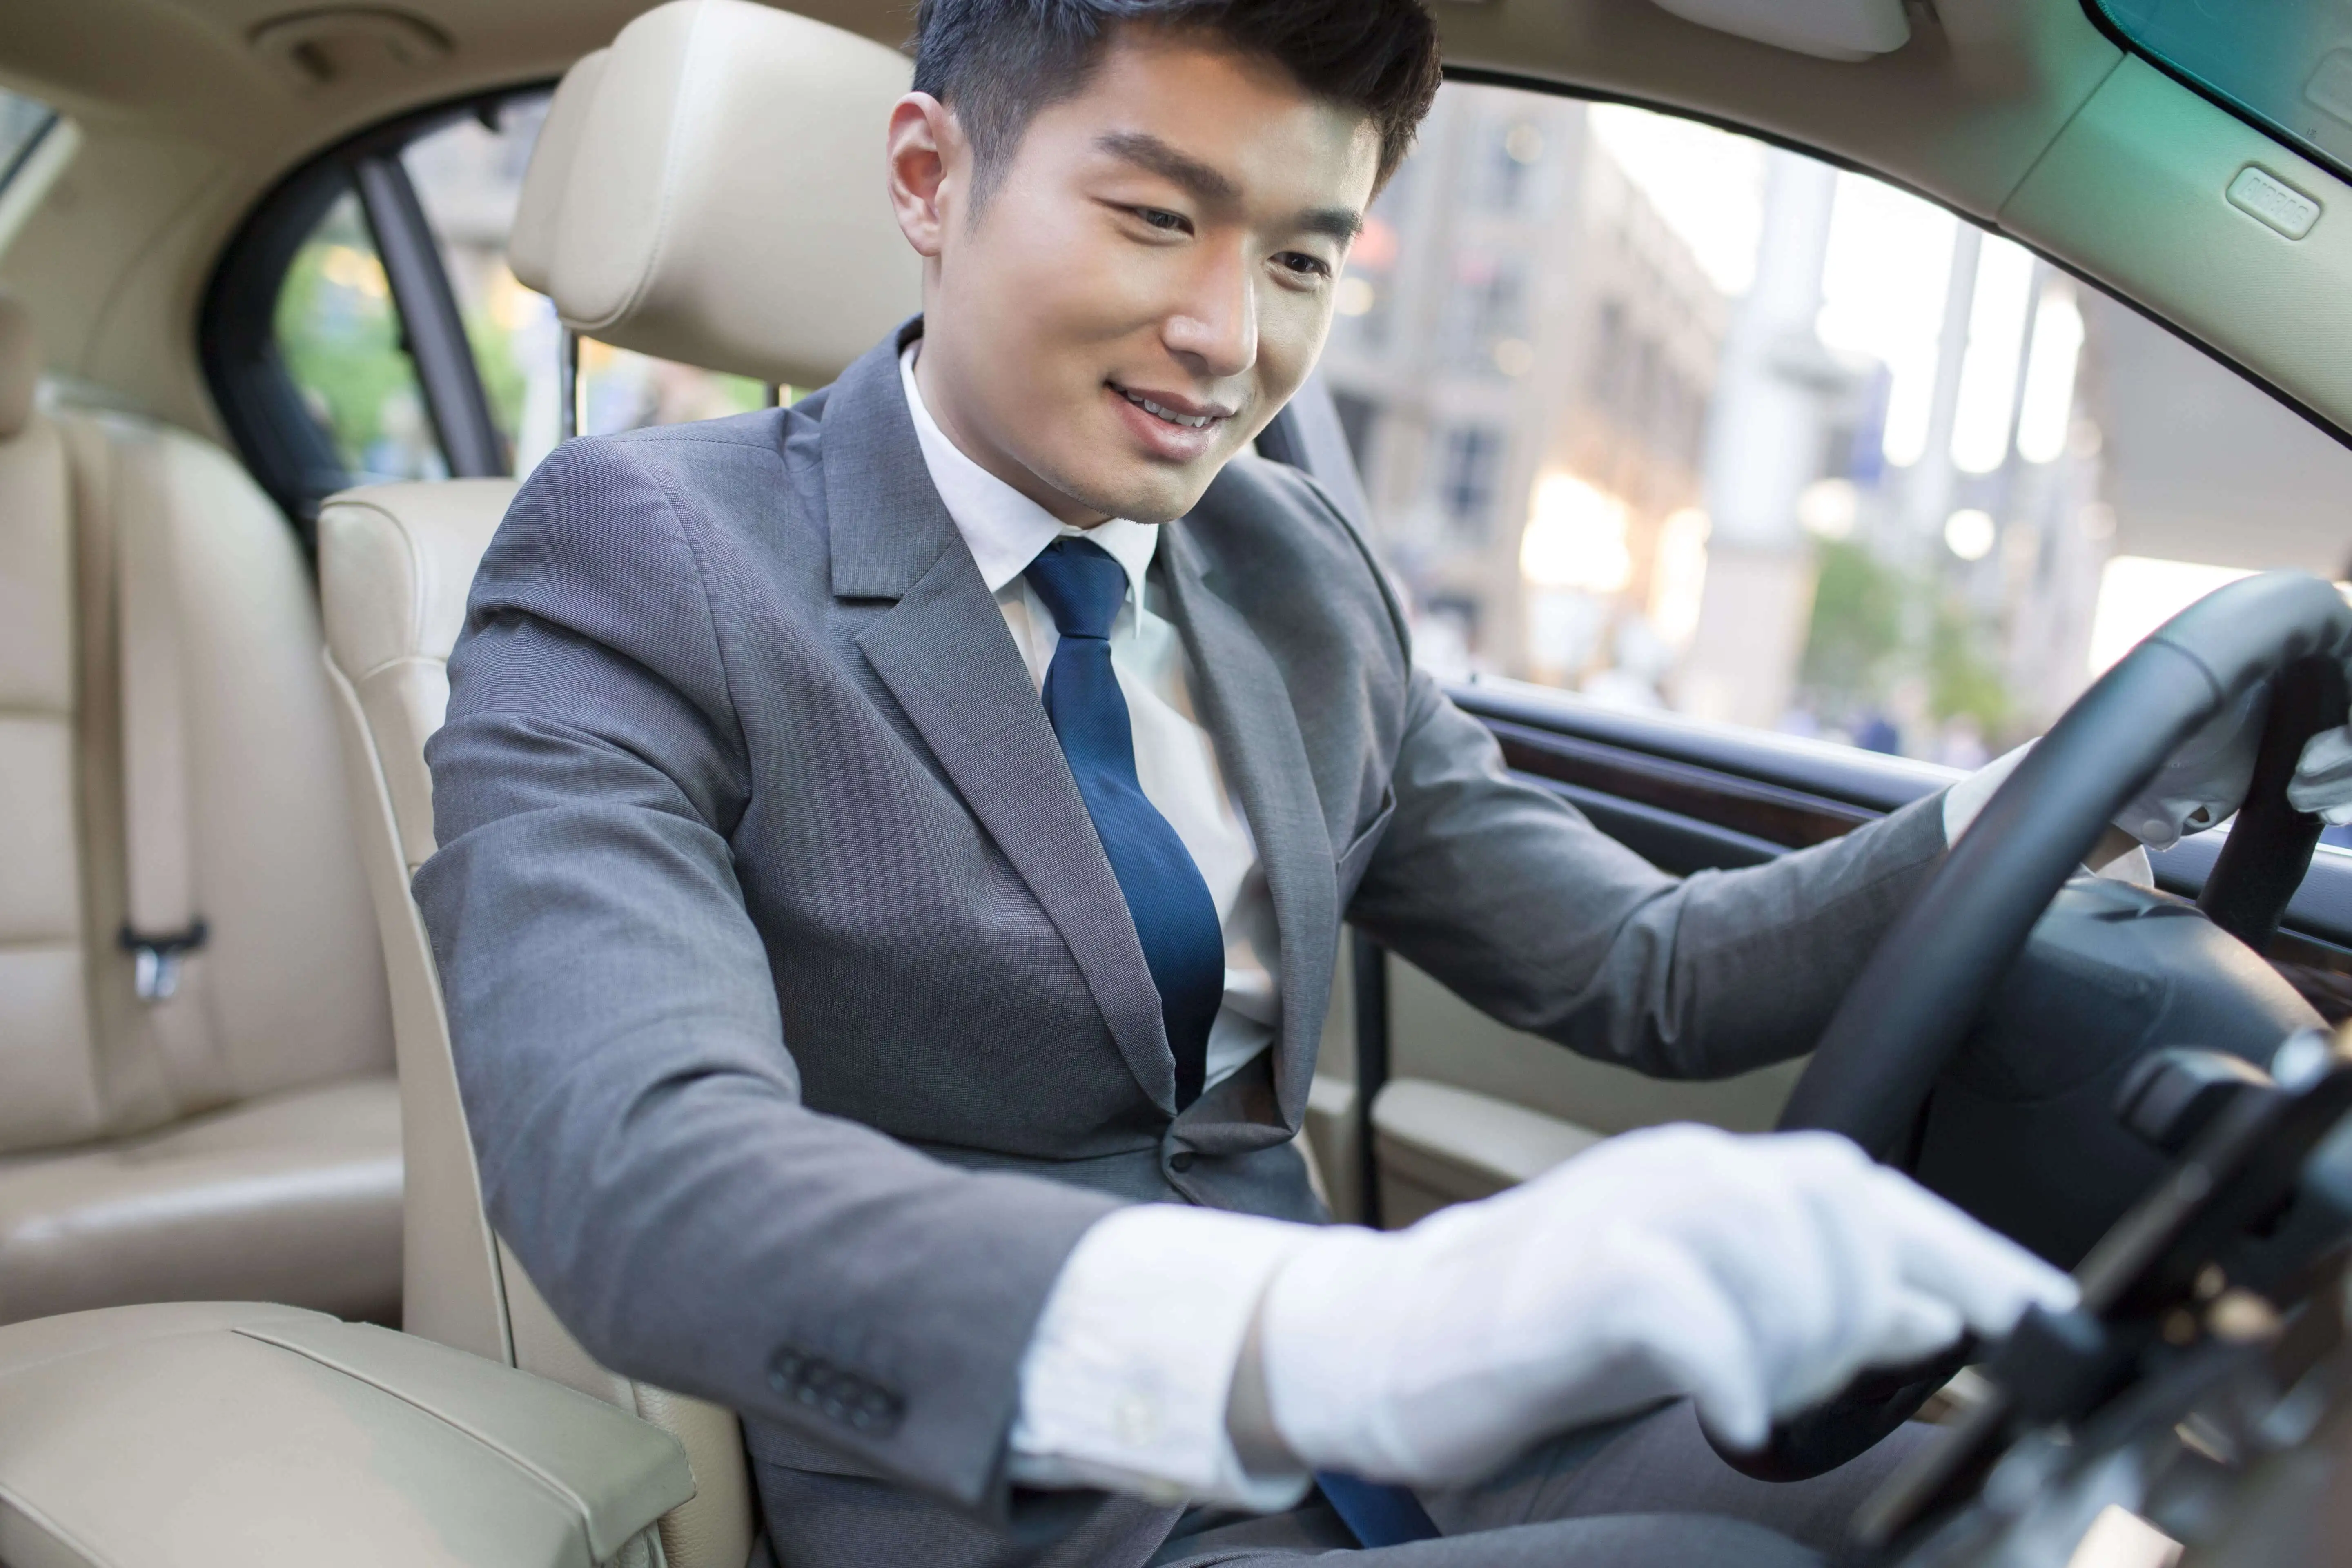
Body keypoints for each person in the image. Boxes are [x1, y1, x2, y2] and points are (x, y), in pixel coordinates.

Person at [413, 2, 2295, 1563]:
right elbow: (633, 1169)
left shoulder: (1294, 574)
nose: (1233, 341)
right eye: (1157, 218)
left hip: (1374, 1438)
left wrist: (2073, 785)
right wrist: (1365, 1330)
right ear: (930, 176)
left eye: (1303, 258)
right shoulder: (643, 549)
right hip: (1015, 1501)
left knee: (2009, 1509)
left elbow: (1646, 970)